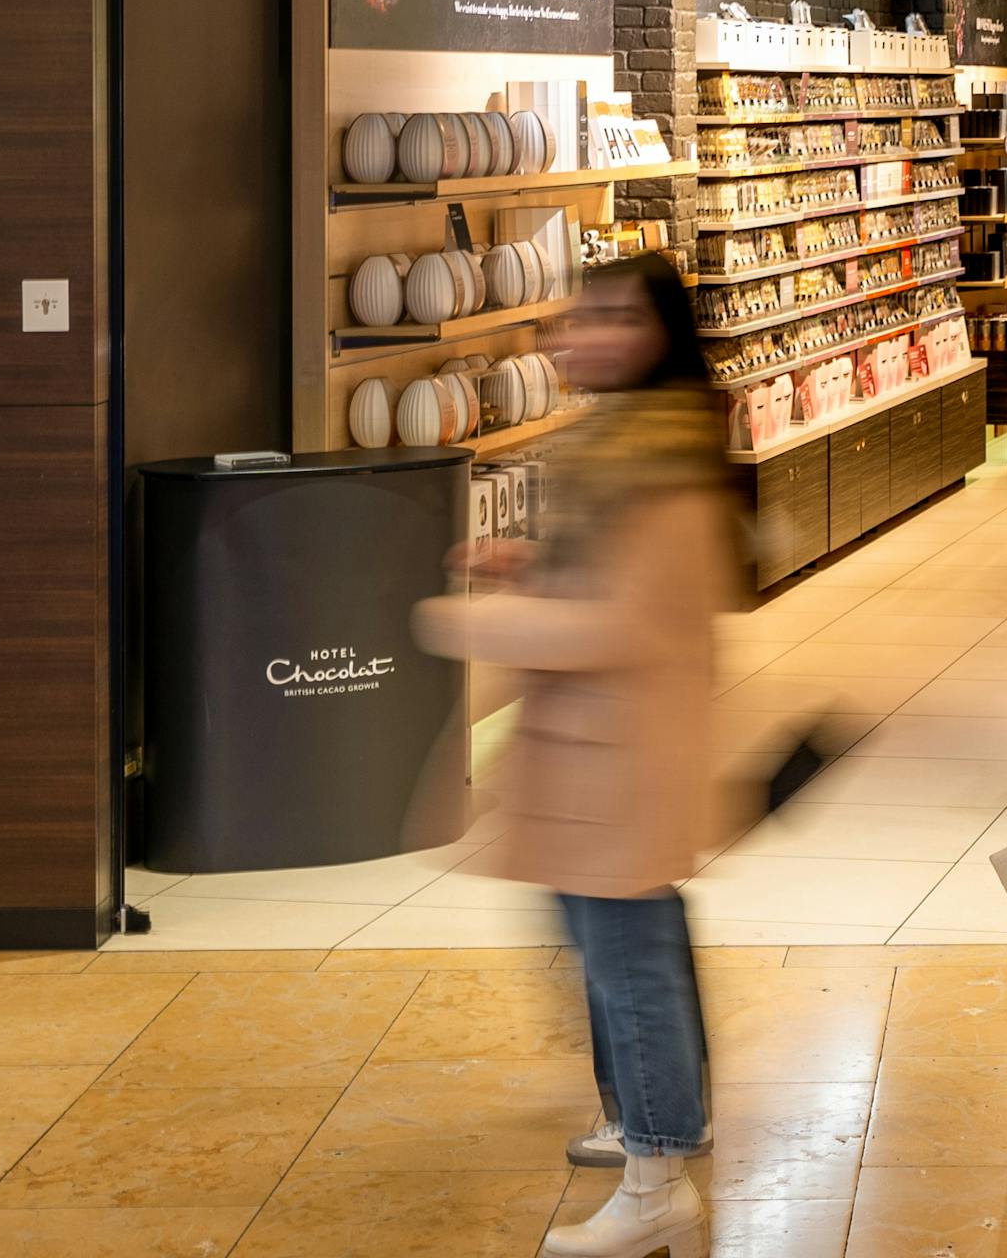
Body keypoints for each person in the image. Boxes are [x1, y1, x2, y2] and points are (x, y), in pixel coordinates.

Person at [412, 252, 739, 1258]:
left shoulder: (661, 454)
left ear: (656, 334)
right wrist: (533, 566)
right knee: (629, 947)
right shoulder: (631, 438)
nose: (580, 337)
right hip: (604, 748)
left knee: (624, 962)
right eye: (576, 317)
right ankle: (664, 1129)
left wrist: (477, 621)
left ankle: (655, 1174)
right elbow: (614, 581)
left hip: (619, 751)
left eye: (609, 317)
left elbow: (629, 620)